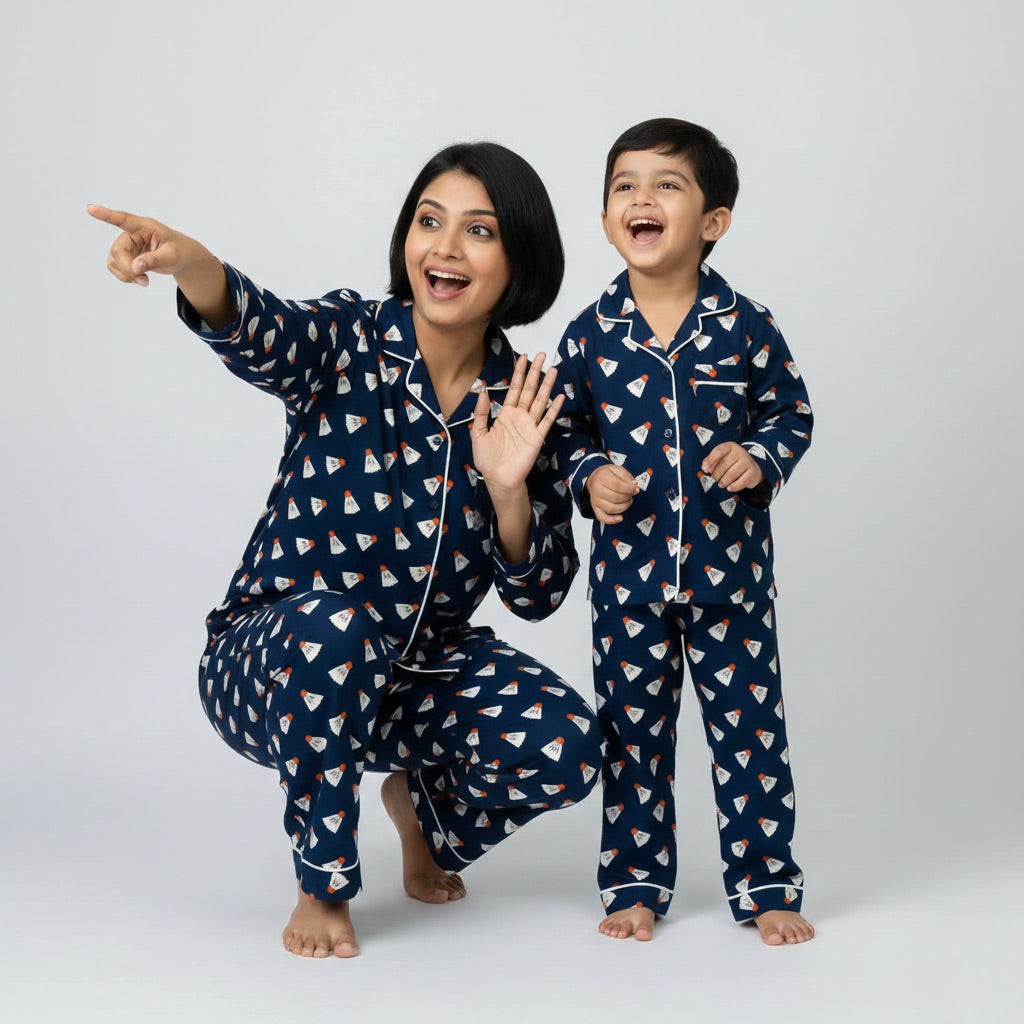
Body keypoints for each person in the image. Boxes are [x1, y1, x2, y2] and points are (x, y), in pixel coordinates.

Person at [87, 141, 600, 959]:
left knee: (568, 742)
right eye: (430, 222)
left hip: (413, 677)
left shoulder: (530, 400)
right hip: (276, 661)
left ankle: (420, 816)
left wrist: (509, 488)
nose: (445, 247)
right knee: (335, 629)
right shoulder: (350, 337)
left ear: (520, 261)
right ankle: (322, 886)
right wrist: (192, 264)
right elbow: (262, 329)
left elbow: (539, 595)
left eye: (479, 231)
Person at [549, 118, 815, 946]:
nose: (641, 198)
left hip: (729, 580)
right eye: (625, 185)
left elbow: (792, 413)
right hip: (627, 586)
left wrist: (759, 455)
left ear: (712, 222)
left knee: (751, 736)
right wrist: (589, 474)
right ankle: (633, 885)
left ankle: (767, 884)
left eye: (667, 184)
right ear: (604, 220)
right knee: (632, 739)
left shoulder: (746, 325)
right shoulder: (589, 336)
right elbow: (561, 432)